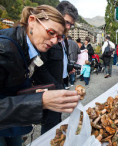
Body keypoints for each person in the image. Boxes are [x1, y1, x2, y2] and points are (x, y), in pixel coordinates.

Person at [0, 5, 80, 145]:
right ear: (32, 20)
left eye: (59, 37)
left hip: (11, 122)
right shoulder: (4, 49)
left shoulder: (30, 43)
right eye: (51, 32)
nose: (55, 41)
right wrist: (40, 101)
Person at [32, 1, 79, 134]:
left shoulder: (63, 39)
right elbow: (39, 68)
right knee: (50, 127)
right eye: (67, 22)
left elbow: (60, 59)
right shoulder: (49, 38)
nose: (69, 27)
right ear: (57, 16)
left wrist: (69, 67)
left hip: (60, 84)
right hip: (50, 90)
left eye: (71, 24)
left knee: (57, 121)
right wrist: (56, 87)